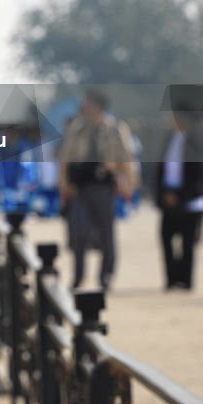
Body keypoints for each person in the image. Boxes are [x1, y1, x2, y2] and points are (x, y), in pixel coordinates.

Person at [58, 90, 137, 291]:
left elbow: (127, 159)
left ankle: (106, 276)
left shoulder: (115, 130)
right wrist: (64, 185)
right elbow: (65, 160)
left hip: (103, 187)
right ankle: (78, 276)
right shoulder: (76, 130)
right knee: (79, 232)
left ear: (99, 107)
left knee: (106, 234)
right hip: (80, 188)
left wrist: (128, 184)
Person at [155, 99, 203, 290]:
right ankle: (171, 278)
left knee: (187, 242)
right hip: (169, 194)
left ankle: (185, 280)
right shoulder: (171, 137)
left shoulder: (199, 140)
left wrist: (181, 195)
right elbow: (162, 168)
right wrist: (164, 194)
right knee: (166, 238)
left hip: (190, 199)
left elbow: (200, 173)